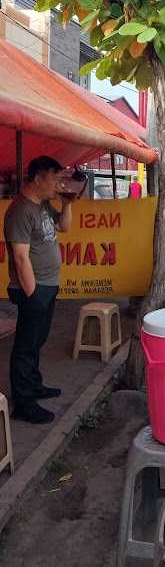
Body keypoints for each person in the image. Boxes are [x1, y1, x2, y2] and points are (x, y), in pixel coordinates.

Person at [4, 156, 74, 424]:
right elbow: (21, 258)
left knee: (38, 340)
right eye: (54, 179)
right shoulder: (20, 211)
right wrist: (33, 295)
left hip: (47, 285)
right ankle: (23, 403)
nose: (57, 184)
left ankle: (34, 386)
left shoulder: (43, 205)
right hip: (33, 288)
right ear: (37, 179)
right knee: (25, 346)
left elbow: (64, 227)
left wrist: (67, 204)